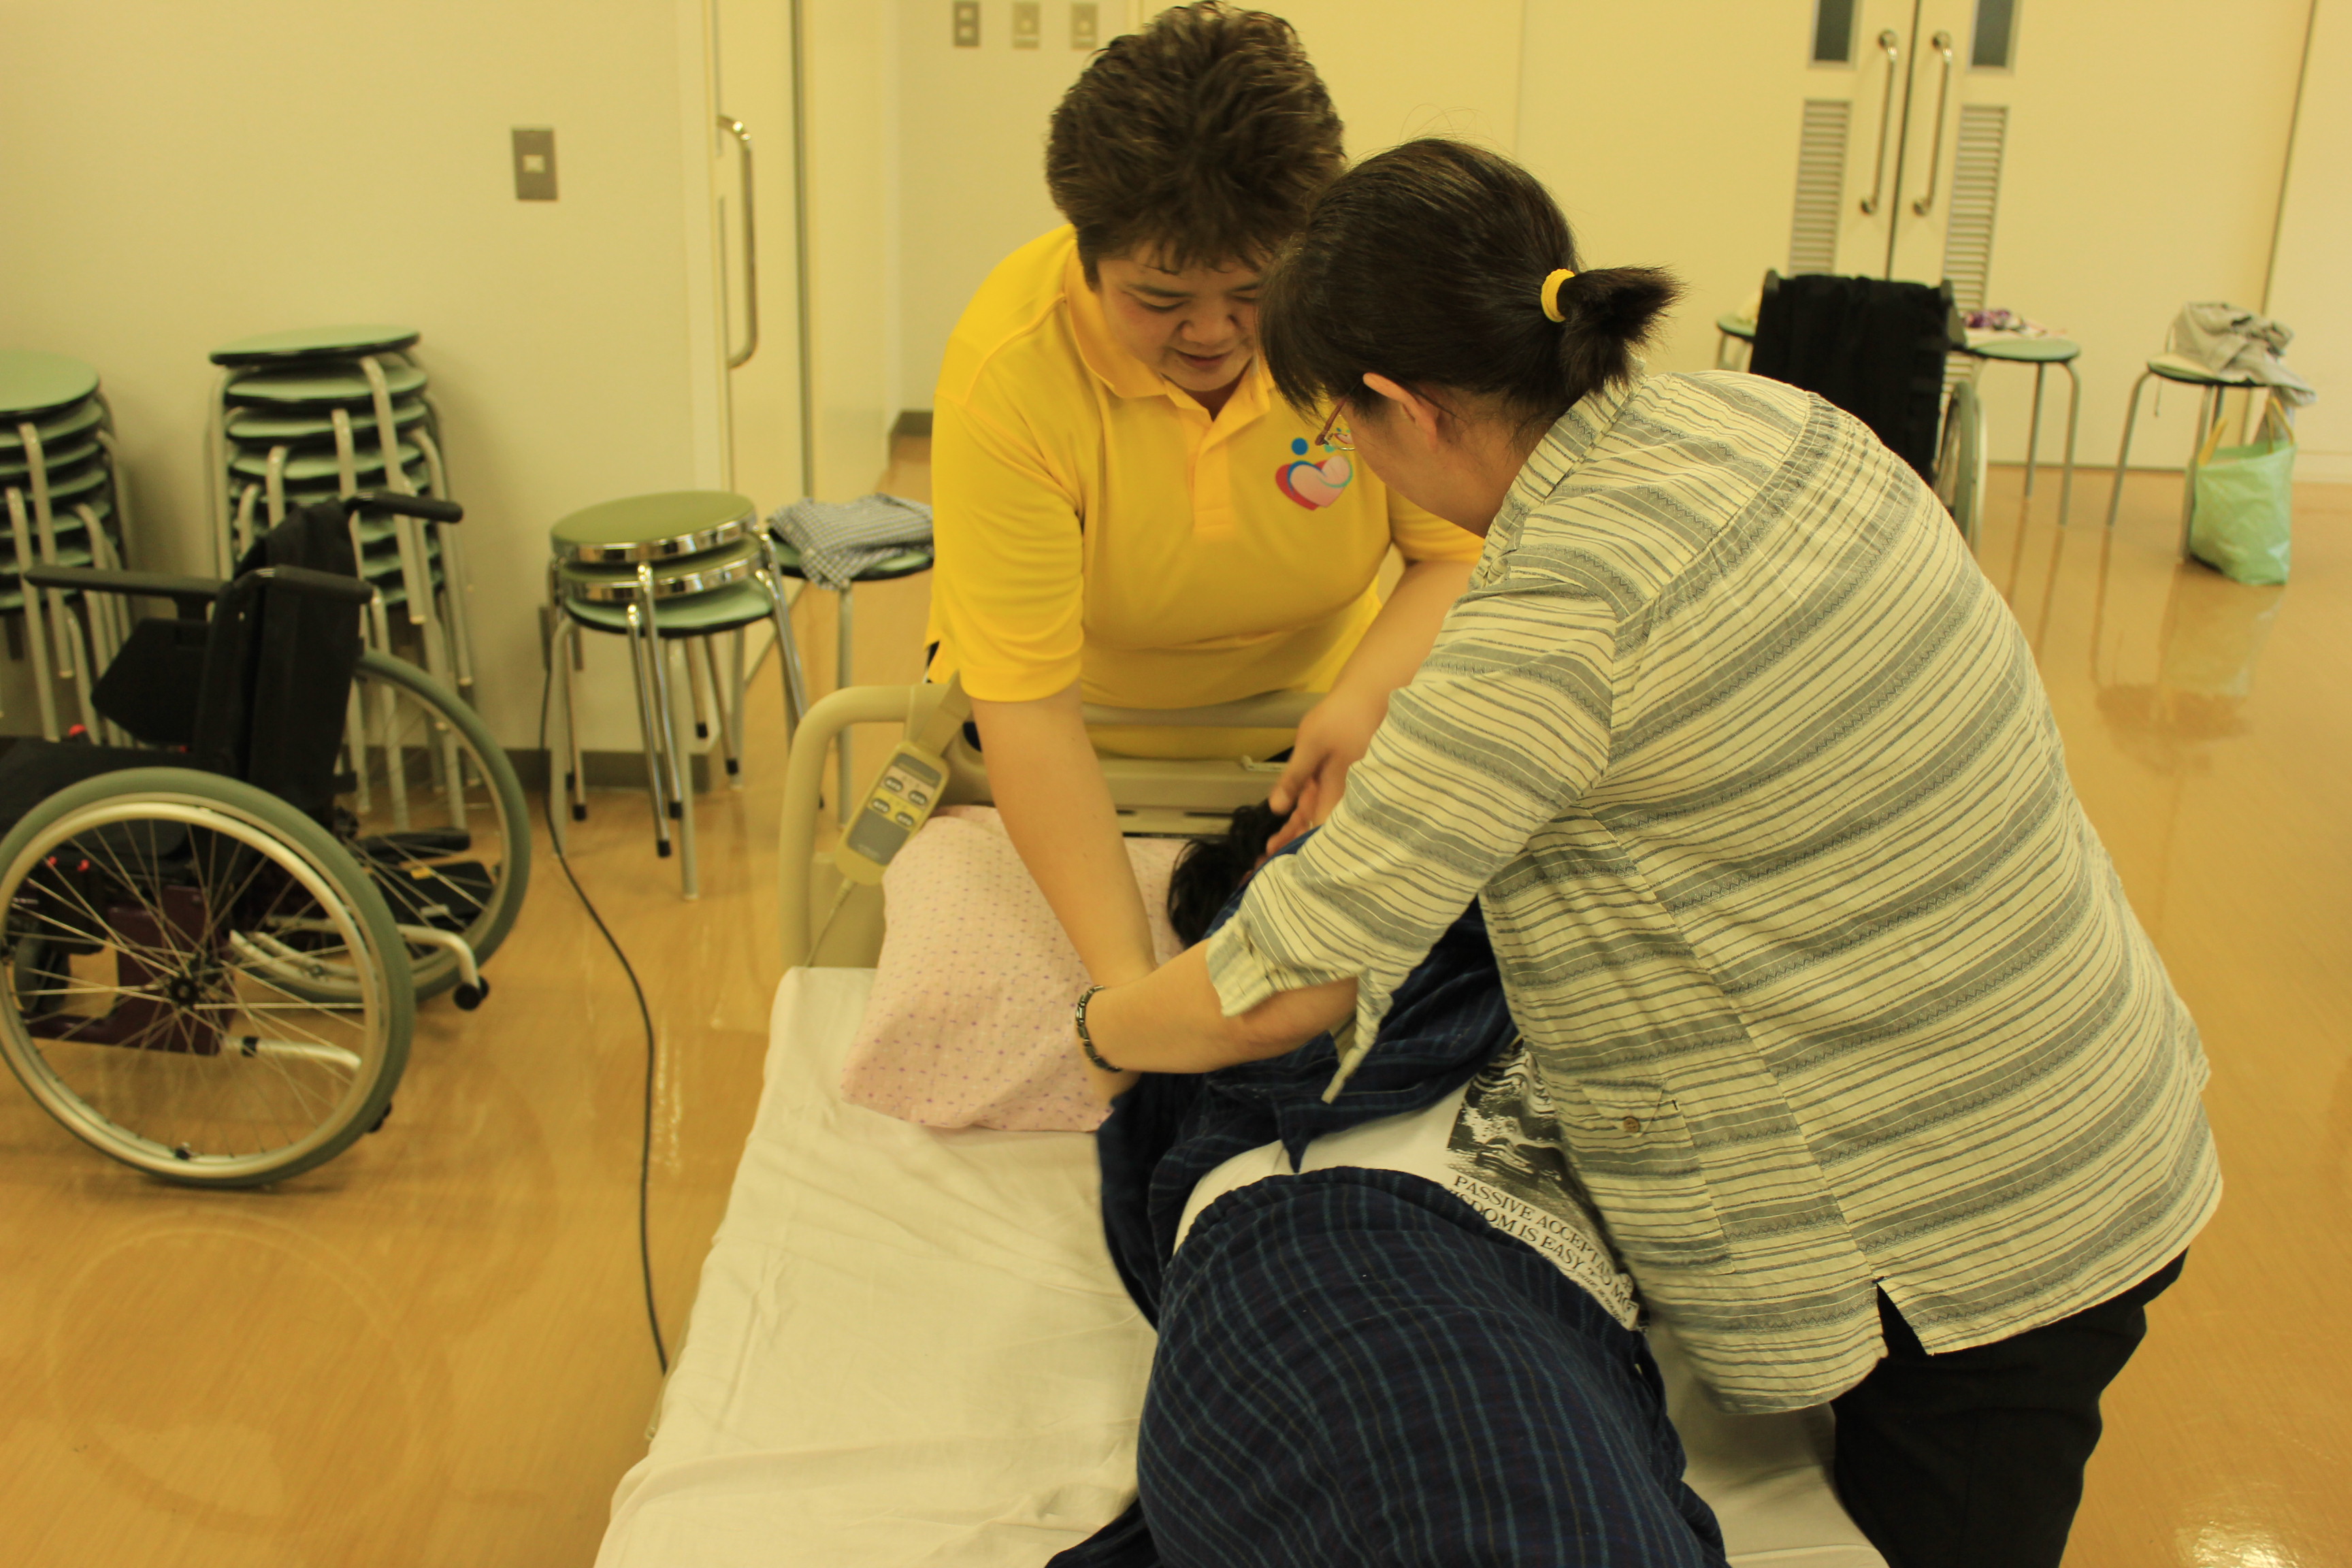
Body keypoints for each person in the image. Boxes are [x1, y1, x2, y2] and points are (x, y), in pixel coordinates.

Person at [1073, 139, 2220, 1568]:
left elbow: (1282, 987)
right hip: (2085, 1074)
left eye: (1344, 434)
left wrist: (1101, 1022)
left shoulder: (1558, 622)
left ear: (1402, 407)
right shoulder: (1769, 422)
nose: (1353, 462)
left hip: (1976, 1219)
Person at [924, 3, 1481, 1003]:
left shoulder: (1365, 318)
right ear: (1087, 254)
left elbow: (1455, 551)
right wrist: (1129, 991)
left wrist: (1364, 699)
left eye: (1255, 293)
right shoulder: (1011, 372)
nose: (1213, 334)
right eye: (1160, 299)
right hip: (1082, 751)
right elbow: (1030, 710)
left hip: (1313, 733)